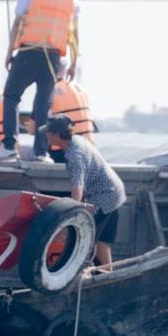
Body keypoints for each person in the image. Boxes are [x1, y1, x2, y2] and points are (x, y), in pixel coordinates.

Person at [0, 0, 79, 161]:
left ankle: (9, 145)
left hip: (29, 52)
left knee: (11, 96)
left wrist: (9, 51)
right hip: (53, 58)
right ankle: (41, 152)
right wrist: (73, 63)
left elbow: (18, 22)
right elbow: (74, 34)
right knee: (42, 104)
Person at [44, 115, 124, 271]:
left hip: (104, 198)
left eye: (48, 132)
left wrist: (70, 216)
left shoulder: (74, 156)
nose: (46, 136)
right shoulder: (78, 140)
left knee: (83, 238)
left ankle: (78, 274)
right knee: (101, 241)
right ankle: (108, 275)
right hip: (114, 193)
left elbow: (77, 187)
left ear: (56, 135)